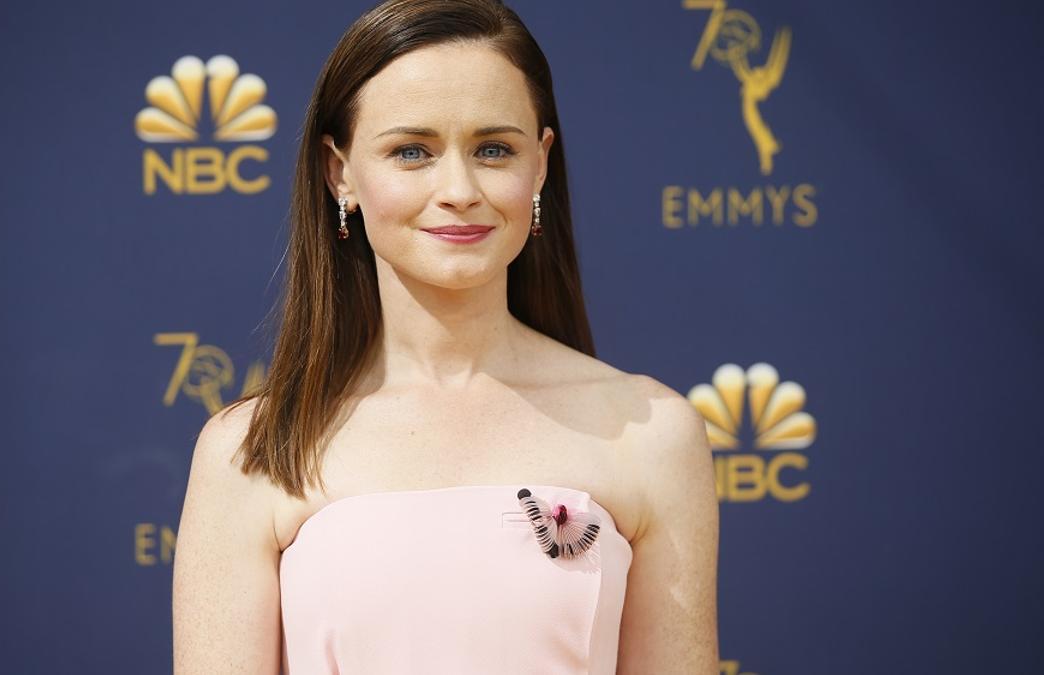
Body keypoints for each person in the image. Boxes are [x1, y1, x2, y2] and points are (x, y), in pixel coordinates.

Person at [172, 0, 719, 672]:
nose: (458, 188)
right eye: (412, 151)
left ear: (540, 164)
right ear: (338, 171)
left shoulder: (651, 434)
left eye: (493, 149)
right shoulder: (252, 450)